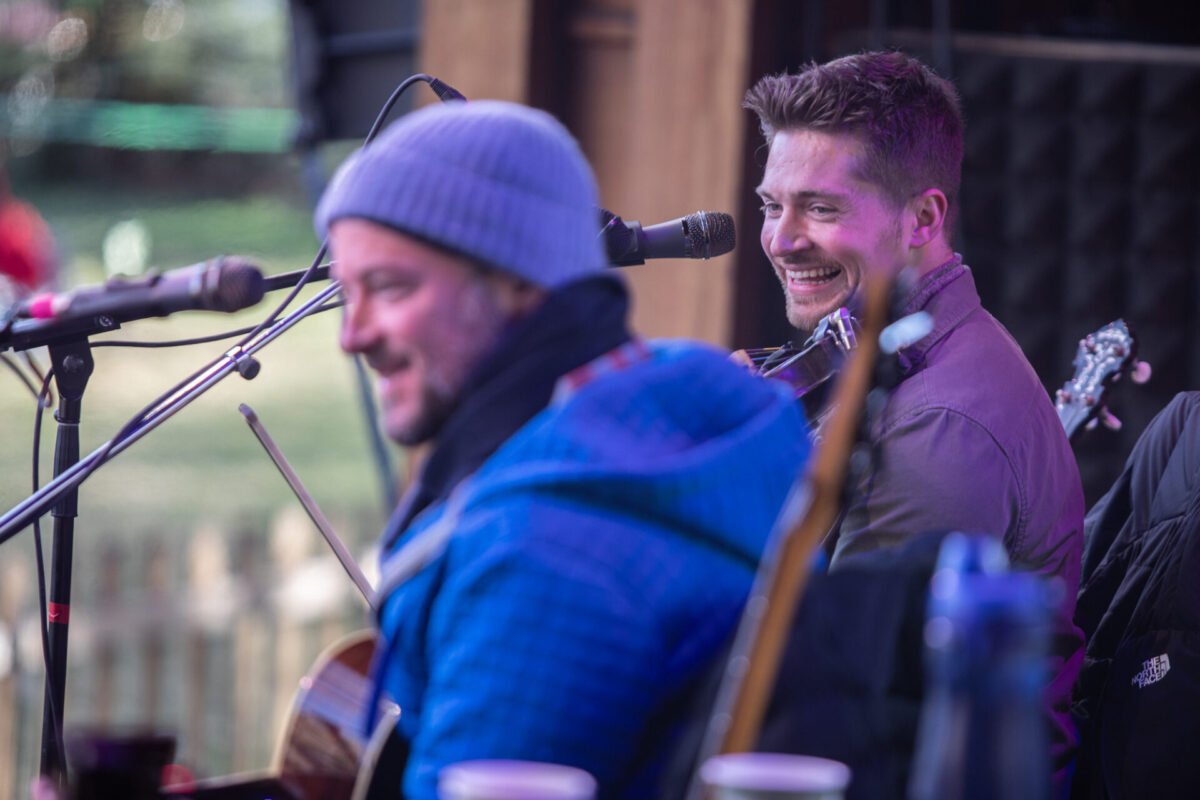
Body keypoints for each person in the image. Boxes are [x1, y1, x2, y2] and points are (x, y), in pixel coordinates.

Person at [313, 100, 811, 799]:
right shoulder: (706, 415)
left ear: (518, 280)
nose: (352, 335)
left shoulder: (533, 561)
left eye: (390, 287)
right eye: (345, 294)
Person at [742, 51, 1086, 781]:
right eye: (773, 204)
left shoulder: (935, 426)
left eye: (821, 207)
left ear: (924, 217)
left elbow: (841, 705)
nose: (781, 238)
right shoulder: (884, 352)